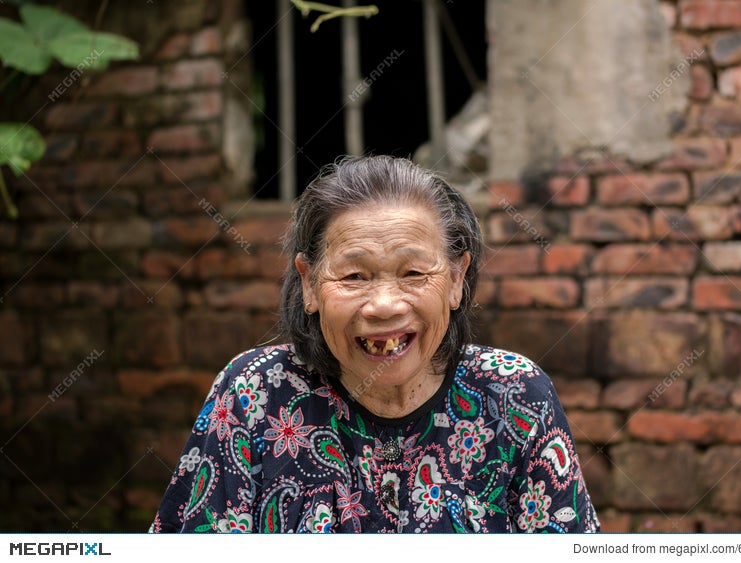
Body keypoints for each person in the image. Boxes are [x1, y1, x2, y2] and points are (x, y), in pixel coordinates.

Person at [150, 155, 600, 533]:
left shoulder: (517, 397)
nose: (384, 305)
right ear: (309, 285)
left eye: (413, 273)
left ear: (456, 279)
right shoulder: (254, 395)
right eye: (354, 277)